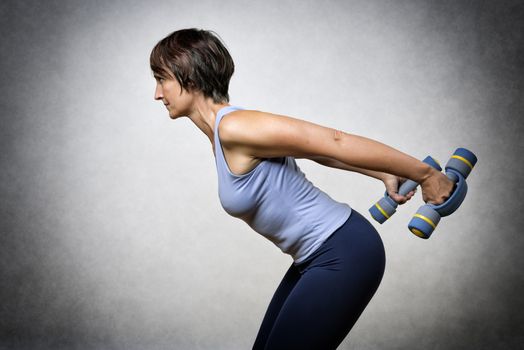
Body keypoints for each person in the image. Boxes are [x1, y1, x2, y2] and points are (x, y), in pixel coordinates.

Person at [149, 28, 454, 350]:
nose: (157, 93)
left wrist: (426, 175)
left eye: (162, 78)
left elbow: (335, 140)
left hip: (343, 252)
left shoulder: (236, 127)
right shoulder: (225, 133)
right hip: (312, 258)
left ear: (189, 76)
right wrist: (382, 173)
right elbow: (316, 152)